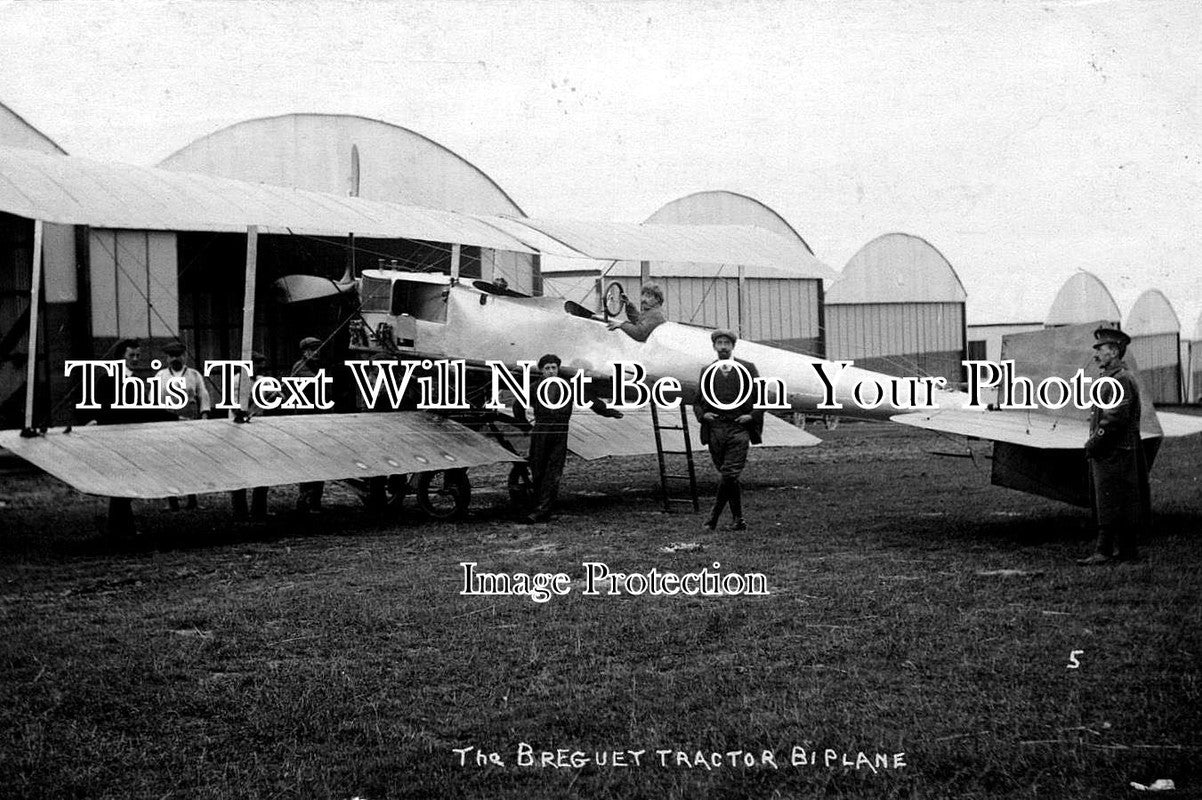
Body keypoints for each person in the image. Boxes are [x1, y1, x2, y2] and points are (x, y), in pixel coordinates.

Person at [516, 353, 622, 524]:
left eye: (554, 368)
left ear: (558, 369)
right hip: (541, 431)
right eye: (547, 368)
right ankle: (537, 506)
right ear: (542, 371)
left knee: (553, 471)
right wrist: (525, 427)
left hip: (560, 432)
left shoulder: (568, 386)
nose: (551, 371)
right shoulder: (534, 387)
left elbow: (590, 400)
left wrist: (609, 412)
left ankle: (542, 510)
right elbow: (517, 406)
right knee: (538, 469)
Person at [1078, 326, 1151, 565]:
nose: (1096, 354)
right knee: (1117, 500)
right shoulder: (1112, 377)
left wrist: (1094, 442)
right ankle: (1126, 551)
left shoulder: (1120, 379)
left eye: (1100, 349)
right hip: (1114, 450)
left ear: (1115, 351)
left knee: (1110, 501)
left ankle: (1104, 551)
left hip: (1114, 451)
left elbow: (1114, 418)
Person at [694, 329, 764, 532]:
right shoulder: (707, 370)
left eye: (727, 343)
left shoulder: (748, 368)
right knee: (728, 477)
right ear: (714, 346)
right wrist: (703, 416)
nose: (723, 346)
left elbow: (762, 398)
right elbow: (697, 402)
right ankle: (738, 520)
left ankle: (712, 519)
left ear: (733, 346)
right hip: (715, 428)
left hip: (738, 427)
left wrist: (751, 416)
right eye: (719, 343)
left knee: (730, 473)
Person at [155, 341, 213, 511]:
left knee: (190, 461)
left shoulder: (194, 375)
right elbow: (154, 401)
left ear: (185, 355)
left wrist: (204, 417)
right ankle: (171, 501)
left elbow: (204, 397)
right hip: (168, 423)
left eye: (178, 355)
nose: (175, 359)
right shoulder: (161, 376)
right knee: (168, 462)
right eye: (171, 356)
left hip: (190, 423)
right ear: (167, 358)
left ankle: (192, 499)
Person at [229, 351, 276, 522]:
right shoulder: (236, 380)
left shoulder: (262, 380)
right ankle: (240, 512)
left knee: (262, 471)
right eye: (257, 364)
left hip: (258, 429)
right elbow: (236, 406)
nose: (260, 368)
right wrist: (255, 401)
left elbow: (277, 396)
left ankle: (259, 510)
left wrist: (273, 396)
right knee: (239, 472)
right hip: (238, 429)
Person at [291, 336, 326, 514]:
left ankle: (315, 500)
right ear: (305, 351)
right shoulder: (300, 367)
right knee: (308, 462)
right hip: (305, 421)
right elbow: (314, 381)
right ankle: (304, 499)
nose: (317, 352)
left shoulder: (317, 367)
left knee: (320, 461)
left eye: (318, 349)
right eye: (313, 349)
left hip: (318, 419)